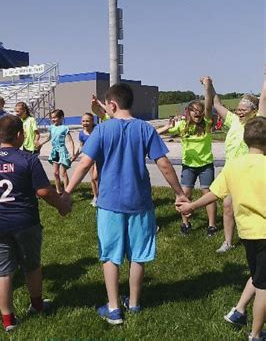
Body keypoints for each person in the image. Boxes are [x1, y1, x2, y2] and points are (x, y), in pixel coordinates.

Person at [64, 83, 188, 325]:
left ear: (111, 105)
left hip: (110, 203)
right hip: (140, 202)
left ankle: (113, 308)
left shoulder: (101, 131)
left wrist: (67, 192)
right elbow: (163, 163)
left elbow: (84, 164)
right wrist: (179, 192)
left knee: (111, 254)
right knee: (138, 254)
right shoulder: (145, 129)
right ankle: (134, 303)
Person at [0, 114, 70, 331]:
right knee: (31, 265)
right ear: (19, 135)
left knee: (1, 271)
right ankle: (36, 304)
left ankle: (8, 320)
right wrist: (62, 205)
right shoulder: (28, 160)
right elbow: (44, 191)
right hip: (25, 221)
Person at [177, 116, 266, 341]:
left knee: (259, 276)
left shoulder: (233, 166)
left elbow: (214, 194)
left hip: (246, 232)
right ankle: (256, 334)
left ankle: (238, 312)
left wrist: (190, 205)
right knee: (264, 286)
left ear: (245, 140)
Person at [156, 77, 217, 236]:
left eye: (200, 110)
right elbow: (154, 134)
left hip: (206, 166)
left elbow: (209, 104)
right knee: (184, 195)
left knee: (207, 194)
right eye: (193, 110)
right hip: (188, 166)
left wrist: (207, 87)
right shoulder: (182, 125)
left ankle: (211, 225)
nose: (197, 113)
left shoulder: (207, 123)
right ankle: (186, 223)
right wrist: (168, 127)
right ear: (188, 112)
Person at [209, 78, 264, 253]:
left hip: (252, 171)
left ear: (253, 110)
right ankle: (228, 241)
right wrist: (209, 86)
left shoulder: (257, 121)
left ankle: (254, 236)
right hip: (234, 171)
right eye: (238, 109)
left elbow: (263, 99)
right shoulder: (233, 120)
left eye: (243, 109)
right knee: (227, 205)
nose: (239, 112)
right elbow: (216, 103)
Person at [38, 109, 75, 194]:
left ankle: (67, 192)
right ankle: (58, 190)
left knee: (63, 173)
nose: (53, 119)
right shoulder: (51, 127)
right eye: (52, 118)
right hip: (55, 151)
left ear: (61, 118)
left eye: (55, 117)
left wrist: (72, 153)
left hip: (62, 151)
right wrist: (41, 143)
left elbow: (70, 141)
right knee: (55, 173)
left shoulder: (64, 128)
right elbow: (49, 137)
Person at [72, 113, 98, 207]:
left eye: (87, 121)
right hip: (88, 158)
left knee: (96, 177)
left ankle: (101, 196)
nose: (85, 123)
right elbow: (81, 147)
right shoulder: (82, 133)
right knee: (93, 178)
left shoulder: (96, 131)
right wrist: (75, 155)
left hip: (99, 157)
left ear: (92, 122)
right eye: (83, 121)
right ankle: (95, 197)